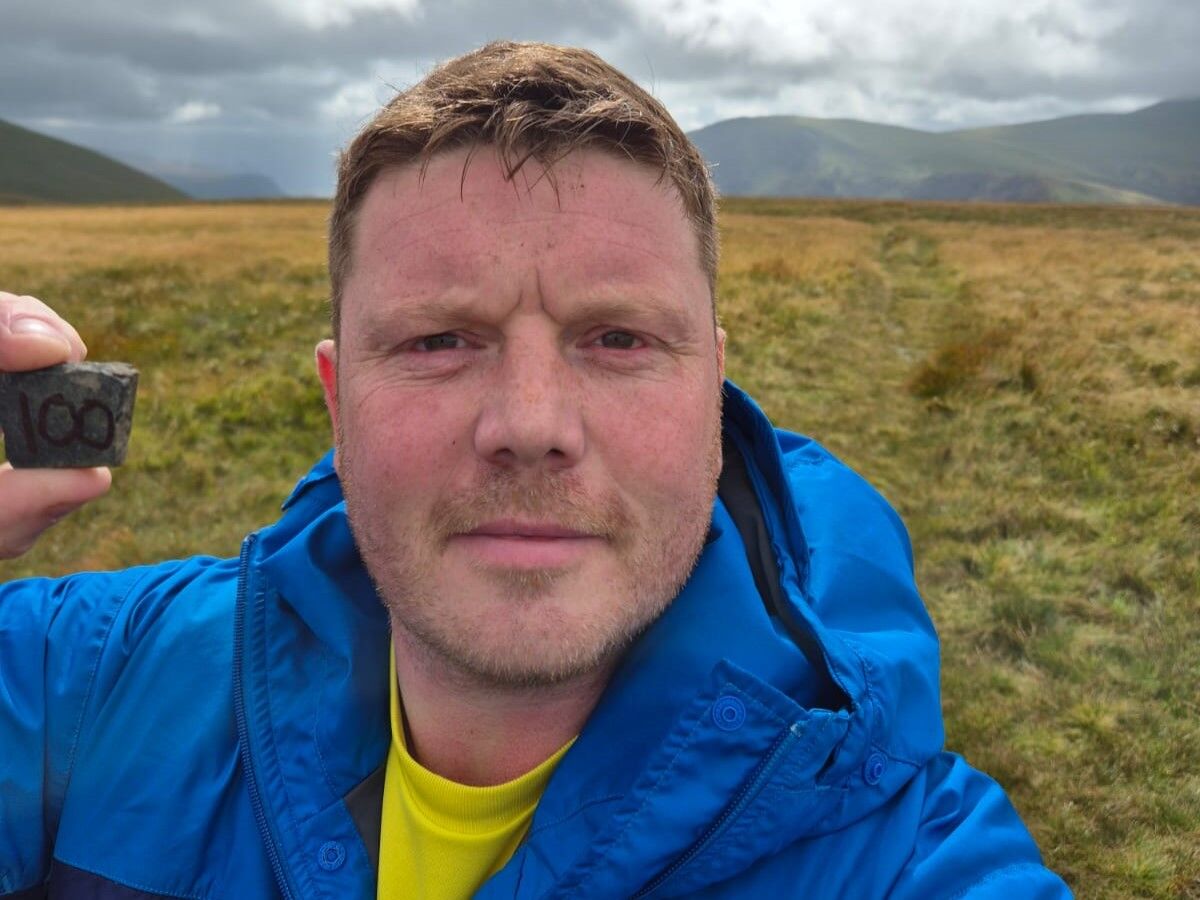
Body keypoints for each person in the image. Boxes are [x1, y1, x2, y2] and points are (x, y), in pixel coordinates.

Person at [0, 41, 1071, 899]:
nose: (529, 423)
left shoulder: (897, 855)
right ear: (338, 399)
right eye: (436, 342)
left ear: (715, 390)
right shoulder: (82, 681)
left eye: (617, 340)